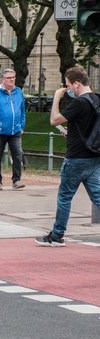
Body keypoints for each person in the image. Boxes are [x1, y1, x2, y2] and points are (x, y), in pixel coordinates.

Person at [35, 66, 100, 247]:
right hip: (94, 157)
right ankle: (56, 235)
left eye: (68, 85)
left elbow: (54, 120)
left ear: (76, 84)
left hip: (76, 158)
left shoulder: (79, 102)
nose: (67, 89)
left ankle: (57, 236)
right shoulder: (97, 99)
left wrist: (57, 97)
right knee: (98, 197)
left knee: (65, 197)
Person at [0, 69, 26, 190]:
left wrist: (22, 126)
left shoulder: (18, 91)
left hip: (15, 130)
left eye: (13, 77)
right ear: (3, 79)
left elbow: (22, 110)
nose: (12, 80)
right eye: (9, 78)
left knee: (17, 155)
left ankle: (16, 180)